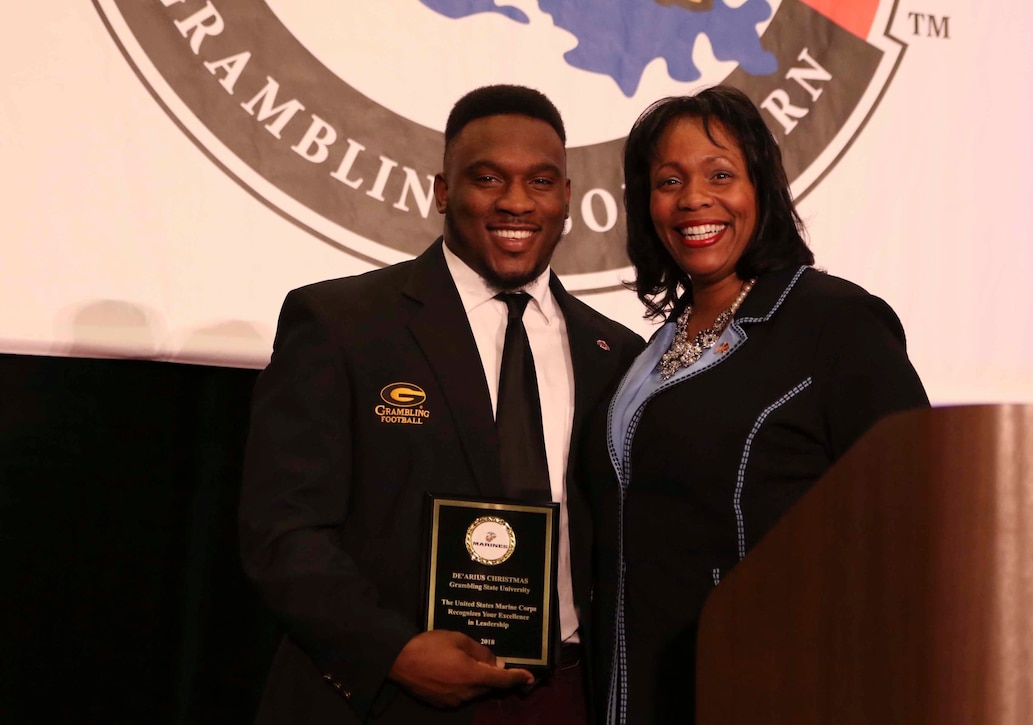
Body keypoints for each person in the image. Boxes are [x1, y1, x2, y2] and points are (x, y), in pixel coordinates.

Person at [239, 85, 644, 724]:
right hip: (390, 697)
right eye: (487, 178)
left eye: (540, 181)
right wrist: (392, 651)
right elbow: (282, 533)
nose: (516, 202)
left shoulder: (615, 353)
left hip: (564, 698)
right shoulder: (343, 324)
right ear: (441, 191)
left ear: (567, 197)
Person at [580, 86, 930, 724]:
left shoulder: (837, 326)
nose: (694, 199)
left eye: (720, 174)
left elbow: (917, 523)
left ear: (762, 189)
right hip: (635, 693)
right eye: (668, 180)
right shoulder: (646, 353)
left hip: (772, 690)